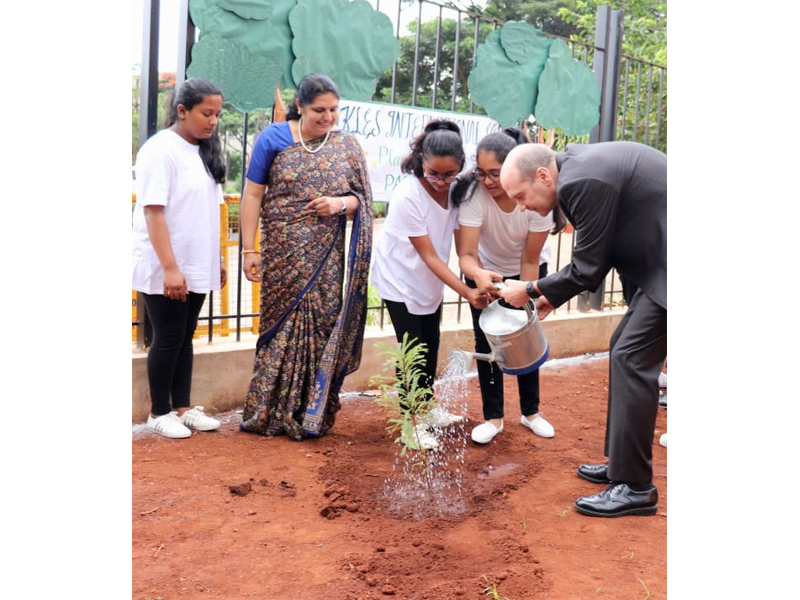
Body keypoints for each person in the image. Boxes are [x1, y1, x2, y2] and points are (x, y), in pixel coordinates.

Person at [498, 141, 666, 518]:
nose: (521, 206)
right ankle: (622, 468)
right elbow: (600, 252)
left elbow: (588, 268)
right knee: (622, 347)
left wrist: (528, 288)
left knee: (631, 357)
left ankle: (637, 488)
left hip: (670, 264)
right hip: (661, 263)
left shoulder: (579, 179)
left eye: (521, 196)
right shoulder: (576, 171)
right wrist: (553, 297)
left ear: (543, 176)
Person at [238, 73, 373, 439]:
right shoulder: (274, 138)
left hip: (326, 256)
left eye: (333, 110)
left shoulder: (347, 145)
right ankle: (267, 411)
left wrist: (339, 203)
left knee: (322, 325)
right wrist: (250, 249)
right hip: (283, 253)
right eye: (319, 110)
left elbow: (363, 200)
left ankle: (312, 414)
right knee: (280, 326)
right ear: (300, 106)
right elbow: (252, 195)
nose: (327, 117)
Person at [371, 119, 488, 450]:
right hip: (400, 278)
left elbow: (463, 245)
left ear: (460, 168)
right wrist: (466, 291)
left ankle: (426, 407)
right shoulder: (408, 194)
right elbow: (430, 257)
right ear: (421, 159)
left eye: (449, 174)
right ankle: (409, 423)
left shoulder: (456, 190)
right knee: (411, 349)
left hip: (427, 281)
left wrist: (478, 275)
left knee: (431, 342)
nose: (440, 181)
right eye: (433, 173)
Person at [132, 77, 228, 439]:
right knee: (169, 336)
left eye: (217, 114)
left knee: (185, 335)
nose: (213, 121)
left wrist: (217, 257)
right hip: (165, 263)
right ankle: (158, 412)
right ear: (182, 110)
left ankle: (183, 408)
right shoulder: (161, 150)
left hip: (196, 261)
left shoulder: (204, 152)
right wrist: (170, 268)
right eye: (206, 113)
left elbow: (208, 211)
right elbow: (153, 212)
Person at [451, 127, 559, 444]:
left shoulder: (536, 196)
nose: (488, 181)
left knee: (526, 338)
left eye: (495, 174)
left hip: (527, 270)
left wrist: (523, 293)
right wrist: (481, 277)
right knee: (489, 344)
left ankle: (531, 413)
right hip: (485, 271)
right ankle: (494, 418)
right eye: (481, 173)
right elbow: (466, 255)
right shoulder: (473, 196)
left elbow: (530, 257)